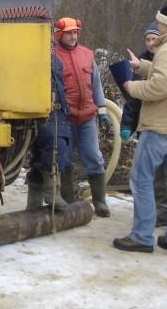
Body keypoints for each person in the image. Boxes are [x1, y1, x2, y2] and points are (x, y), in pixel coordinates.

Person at [113, 3, 167, 255]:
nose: (157, 25)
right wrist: (142, 66)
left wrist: (132, 87)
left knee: (142, 179)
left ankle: (141, 236)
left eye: (159, 22)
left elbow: (160, 87)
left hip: (161, 127)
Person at [54, 17, 111, 217]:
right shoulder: (53, 56)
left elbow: (96, 85)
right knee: (65, 159)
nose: (73, 36)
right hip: (65, 117)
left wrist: (102, 111)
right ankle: (68, 201)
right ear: (60, 34)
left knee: (94, 157)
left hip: (87, 117)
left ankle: (100, 202)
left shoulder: (87, 55)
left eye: (75, 32)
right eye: (69, 32)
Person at [26, 55, 72, 211]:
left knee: (53, 147)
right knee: (51, 146)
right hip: (38, 109)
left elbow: (60, 87)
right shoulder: (30, 55)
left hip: (55, 111)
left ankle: (40, 197)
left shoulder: (56, 60)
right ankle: (50, 193)